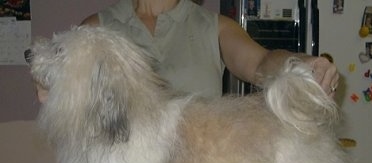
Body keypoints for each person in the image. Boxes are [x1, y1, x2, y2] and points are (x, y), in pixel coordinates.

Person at [36, 0, 339, 102]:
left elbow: (261, 63)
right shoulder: (95, 28)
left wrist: (303, 64)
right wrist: (50, 84)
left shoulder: (215, 26)